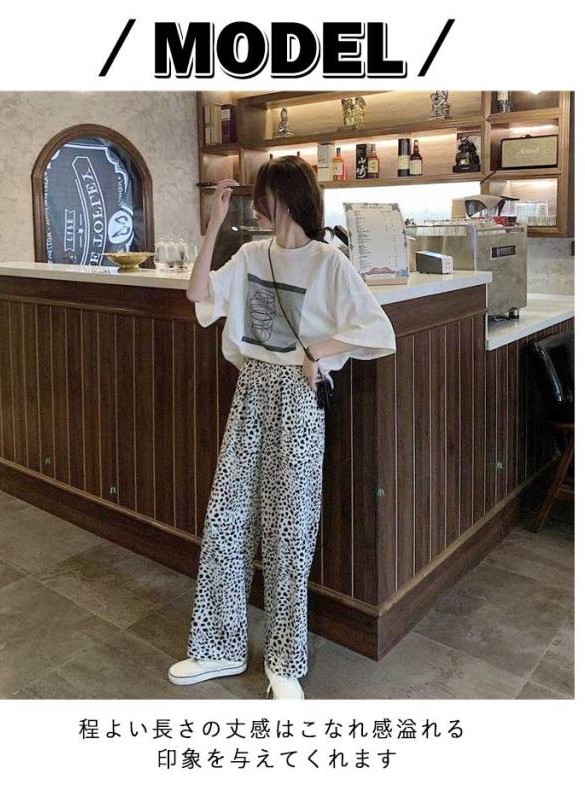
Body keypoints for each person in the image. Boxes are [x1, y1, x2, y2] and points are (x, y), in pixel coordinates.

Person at [167, 155, 396, 699]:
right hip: (251, 391)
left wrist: (318, 349)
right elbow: (198, 295)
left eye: (263, 197)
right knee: (226, 518)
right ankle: (219, 647)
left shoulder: (328, 261)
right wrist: (213, 225)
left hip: (298, 397)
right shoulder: (250, 255)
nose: (256, 207)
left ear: (286, 199)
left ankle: (284, 662)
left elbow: (377, 331)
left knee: (289, 529)